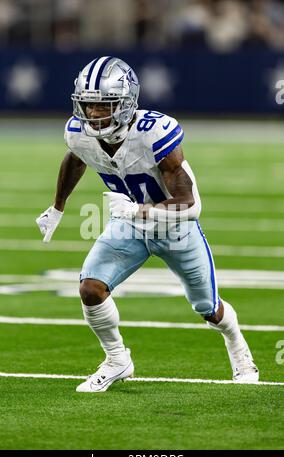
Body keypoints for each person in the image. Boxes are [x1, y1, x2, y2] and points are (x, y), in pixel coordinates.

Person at [36, 56, 259, 392]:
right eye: (89, 105)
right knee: (90, 289)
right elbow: (77, 159)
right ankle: (116, 360)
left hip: (176, 229)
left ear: (126, 104)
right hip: (128, 226)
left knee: (208, 308)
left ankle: (238, 347)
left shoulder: (154, 133)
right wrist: (57, 207)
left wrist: (140, 212)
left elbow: (191, 205)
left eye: (104, 106)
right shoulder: (78, 133)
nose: (94, 115)